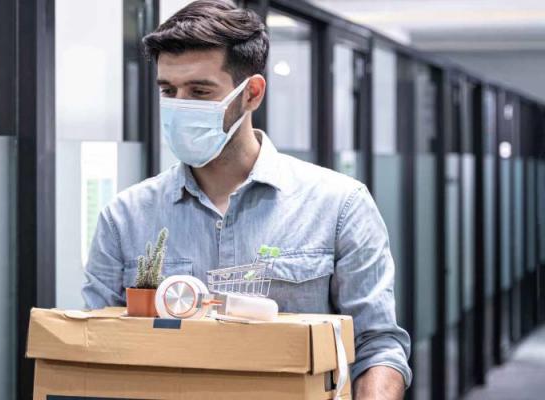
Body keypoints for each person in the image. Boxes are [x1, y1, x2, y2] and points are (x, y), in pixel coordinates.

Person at [80, 1, 411, 398]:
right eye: (168, 90)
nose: (179, 105)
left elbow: (377, 345)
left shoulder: (338, 206)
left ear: (251, 93)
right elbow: (92, 348)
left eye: (199, 91)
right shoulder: (126, 217)